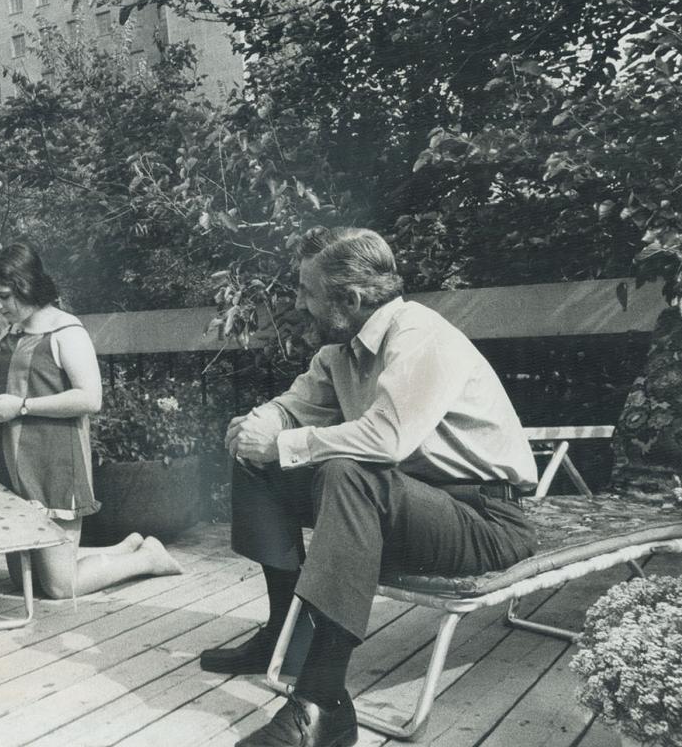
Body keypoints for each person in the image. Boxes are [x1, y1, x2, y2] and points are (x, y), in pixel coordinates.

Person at [204, 227, 538, 747]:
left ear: (351, 299)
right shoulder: (341, 348)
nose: (297, 304)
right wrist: (260, 425)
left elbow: (387, 439)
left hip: (484, 520)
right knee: (259, 463)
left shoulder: (420, 337)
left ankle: (322, 701)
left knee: (347, 469)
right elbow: (295, 404)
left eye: (306, 293)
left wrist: (284, 441)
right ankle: (282, 636)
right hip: (408, 507)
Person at [0, 243, 184, 599]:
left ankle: (147, 557)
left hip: (54, 465)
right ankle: (123, 549)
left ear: (27, 285)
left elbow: (91, 398)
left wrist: (21, 407)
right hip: (14, 466)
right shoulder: (12, 335)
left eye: (4, 296)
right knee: (24, 582)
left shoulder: (66, 331)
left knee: (60, 586)